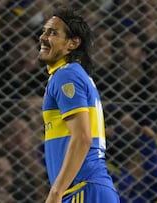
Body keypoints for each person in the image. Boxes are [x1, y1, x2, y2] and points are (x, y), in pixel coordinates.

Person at [38, 6, 119, 203]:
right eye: (44, 31)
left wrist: (56, 192)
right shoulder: (71, 74)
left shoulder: (66, 75)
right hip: (89, 189)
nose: (43, 37)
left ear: (73, 43)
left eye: (53, 33)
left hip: (83, 190)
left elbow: (83, 137)